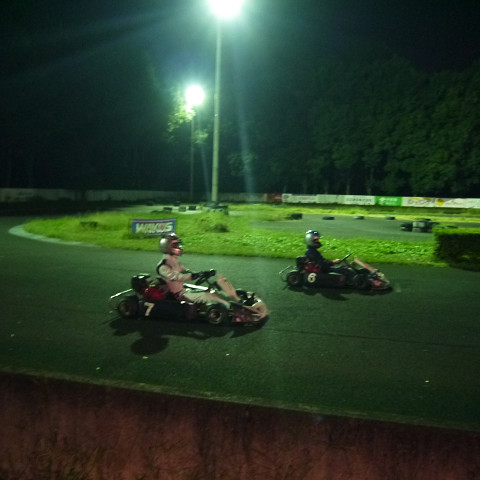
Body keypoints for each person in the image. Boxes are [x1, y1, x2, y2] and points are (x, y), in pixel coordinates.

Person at [156, 233, 236, 307]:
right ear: (168, 247)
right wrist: (192, 276)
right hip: (178, 295)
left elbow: (186, 271)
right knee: (206, 296)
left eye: (178, 244)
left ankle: (232, 302)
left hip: (184, 291)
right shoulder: (163, 266)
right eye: (176, 245)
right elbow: (177, 277)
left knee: (211, 292)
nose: (179, 247)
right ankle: (229, 308)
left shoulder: (174, 262)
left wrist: (201, 273)